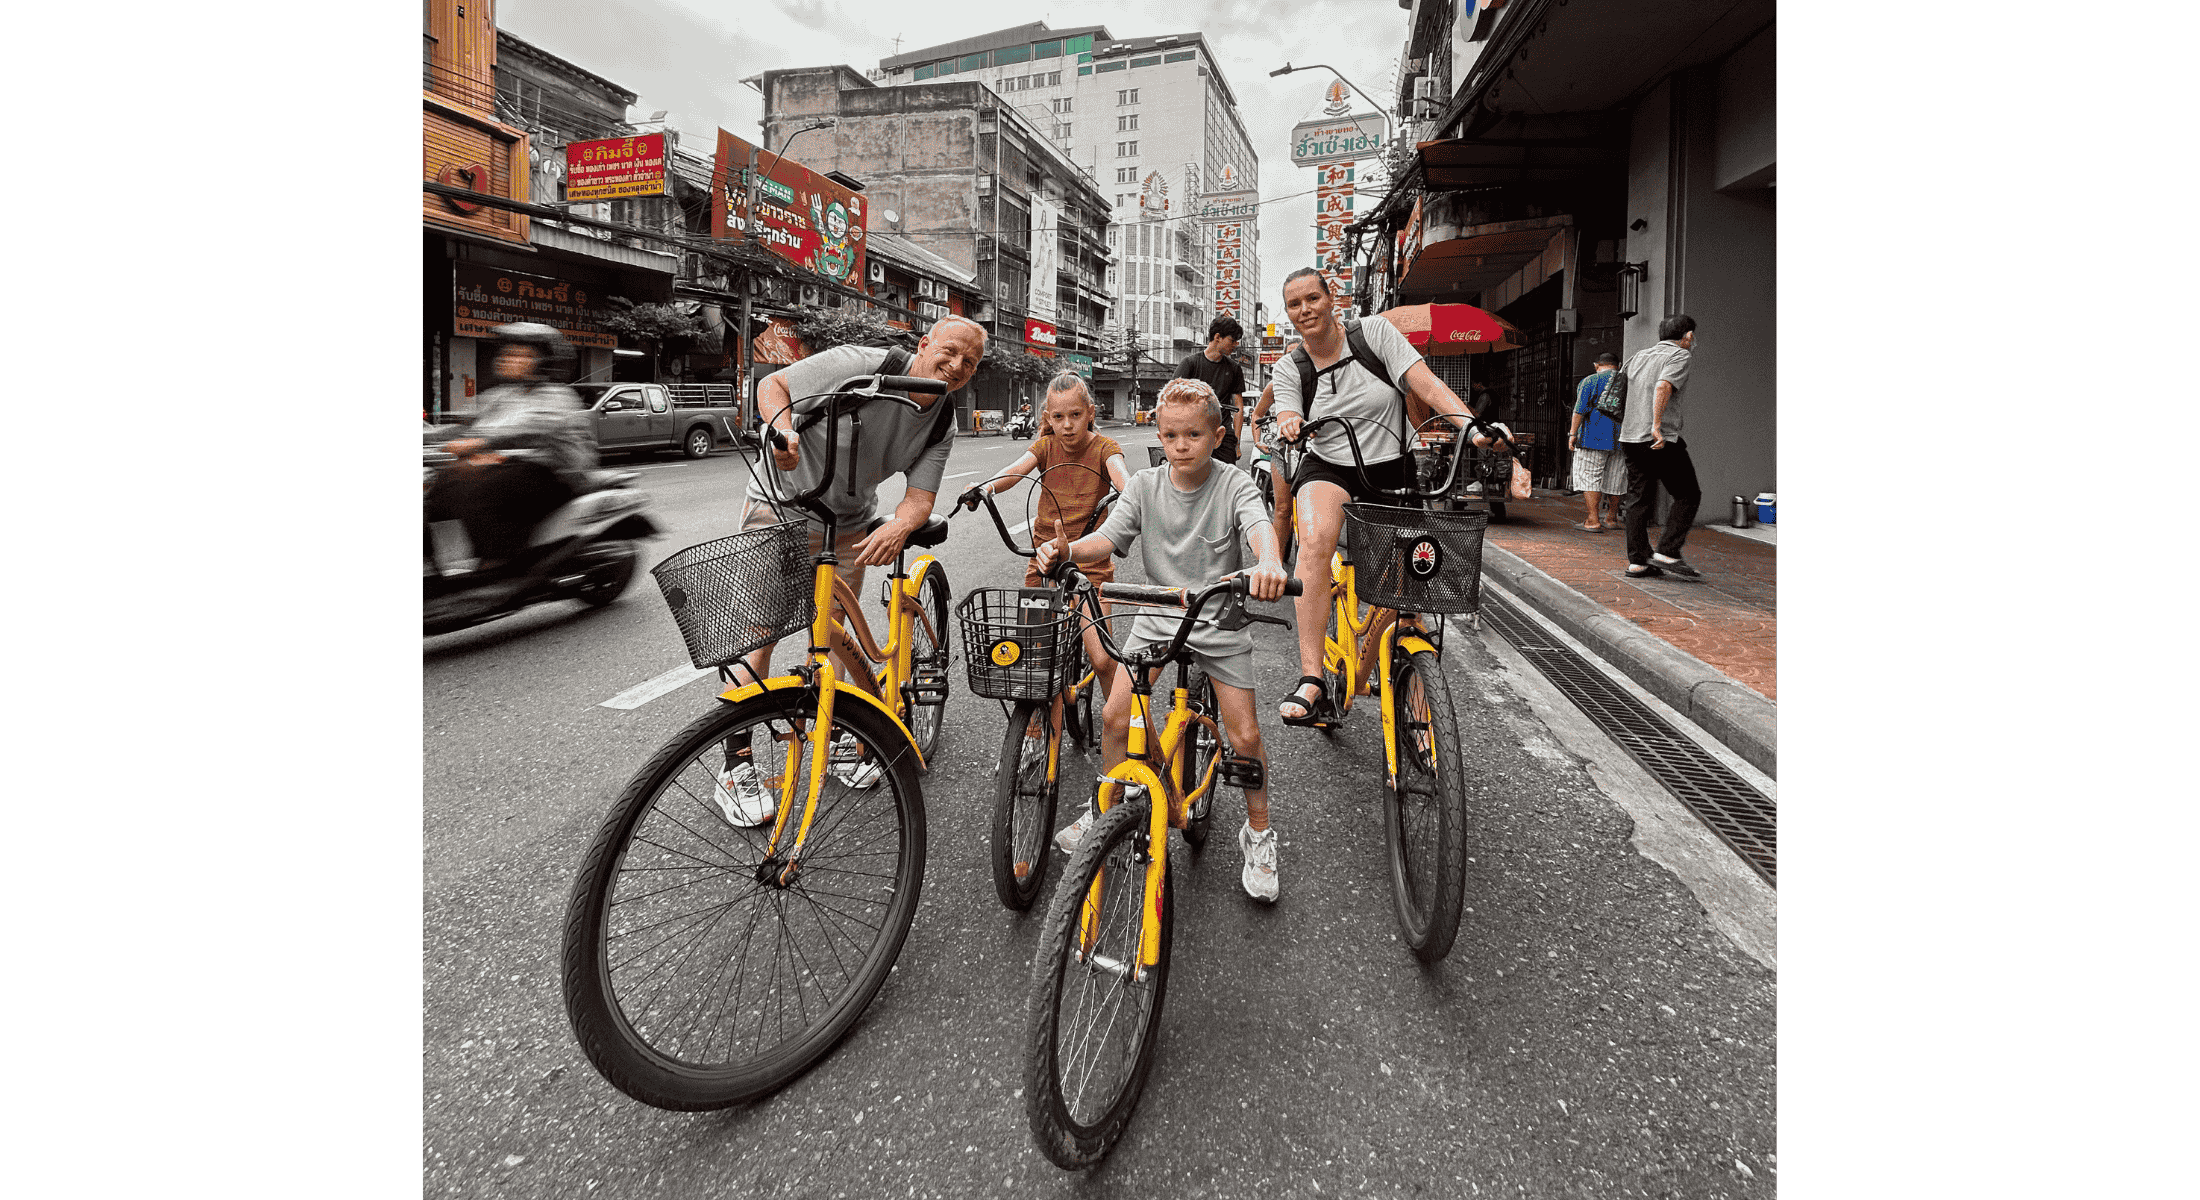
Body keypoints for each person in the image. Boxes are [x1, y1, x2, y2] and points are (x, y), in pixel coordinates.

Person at [712, 314, 985, 823]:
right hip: (783, 504)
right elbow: (774, 386)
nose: (956, 366)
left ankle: (835, 734)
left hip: (852, 522)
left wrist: (899, 526)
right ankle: (736, 764)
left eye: (969, 362)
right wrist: (784, 431)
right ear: (924, 344)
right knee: (760, 630)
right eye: (948, 351)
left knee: (835, 631)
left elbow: (920, 497)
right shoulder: (863, 366)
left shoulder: (943, 420)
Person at [1033, 378, 1291, 902]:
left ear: (1218, 436)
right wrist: (1067, 551)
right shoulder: (1145, 485)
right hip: (1156, 617)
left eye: (1193, 435)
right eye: (1171, 435)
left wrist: (1268, 561)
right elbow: (1108, 540)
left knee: (1243, 736)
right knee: (1113, 717)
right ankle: (1109, 800)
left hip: (1217, 621)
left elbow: (1258, 527)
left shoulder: (1235, 483)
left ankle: (1259, 834)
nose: (1181, 445)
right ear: (1158, 432)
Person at [1268, 268, 1491, 726]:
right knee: (1314, 541)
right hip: (1328, 466)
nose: (1305, 310)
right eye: (1295, 304)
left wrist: (1468, 424)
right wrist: (1290, 422)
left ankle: (1415, 675)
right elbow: (1288, 406)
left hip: (1392, 465)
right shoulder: (1291, 366)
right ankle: (1312, 678)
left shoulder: (1374, 335)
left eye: (1313, 298)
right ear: (1289, 314)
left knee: (1409, 579)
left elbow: (1424, 383)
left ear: (1333, 299)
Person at [958, 371, 1132, 716]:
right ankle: (1032, 729)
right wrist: (985, 488)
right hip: (1045, 562)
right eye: (1058, 417)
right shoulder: (1046, 446)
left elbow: (1123, 480)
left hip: (1091, 565)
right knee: (1032, 655)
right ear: (1047, 418)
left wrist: (1132, 497)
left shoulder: (1104, 448)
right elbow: (1016, 469)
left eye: (1075, 415)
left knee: (1101, 659)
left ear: (1091, 413)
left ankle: (1119, 726)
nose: (1067, 425)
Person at [423, 322, 596, 570]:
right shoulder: (500, 395)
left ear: (543, 362)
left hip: (555, 477)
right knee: (442, 484)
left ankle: (500, 564)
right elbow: (464, 425)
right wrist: (428, 435)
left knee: (480, 490)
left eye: (520, 355)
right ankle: (430, 559)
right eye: (508, 353)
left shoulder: (558, 396)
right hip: (514, 468)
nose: (508, 359)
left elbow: (529, 429)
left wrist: (479, 443)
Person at [1618, 315, 1704, 580]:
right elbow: (1664, 386)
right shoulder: (1679, 356)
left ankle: (1639, 561)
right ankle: (1668, 551)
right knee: (1688, 494)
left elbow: (1619, 391)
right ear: (1687, 336)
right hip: (1659, 437)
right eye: (1693, 337)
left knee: (1637, 500)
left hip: (1630, 437)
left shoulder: (1638, 356)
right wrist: (1656, 425)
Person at [1567, 352, 1628, 531]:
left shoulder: (1590, 381)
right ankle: (1611, 518)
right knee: (1616, 478)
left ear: (1596, 365)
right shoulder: (1627, 382)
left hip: (1592, 438)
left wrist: (1572, 434)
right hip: (1621, 438)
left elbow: (1579, 411)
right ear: (1619, 364)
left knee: (1590, 477)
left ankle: (1593, 520)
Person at [1175, 316, 1247, 465]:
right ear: (1218, 337)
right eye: (1232, 340)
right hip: (1193, 434)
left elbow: (1238, 407)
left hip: (1223, 434)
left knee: (1226, 481)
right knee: (1193, 480)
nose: (1235, 345)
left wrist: (1237, 442)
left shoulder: (1234, 369)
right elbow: (1172, 397)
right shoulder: (1190, 364)